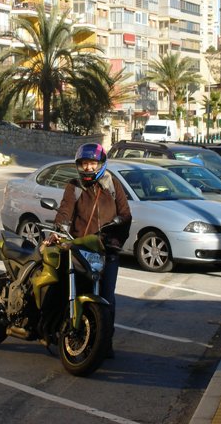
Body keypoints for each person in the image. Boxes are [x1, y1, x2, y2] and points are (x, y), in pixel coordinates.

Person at [46, 143, 131, 357]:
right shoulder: (74, 186)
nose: (88, 168)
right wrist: (61, 227)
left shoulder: (112, 184)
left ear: (100, 164)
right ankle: (54, 333)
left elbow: (126, 215)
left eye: (92, 163)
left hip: (106, 250)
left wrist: (114, 239)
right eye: (84, 164)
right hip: (79, 247)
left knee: (106, 297)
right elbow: (65, 209)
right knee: (64, 290)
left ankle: (105, 343)